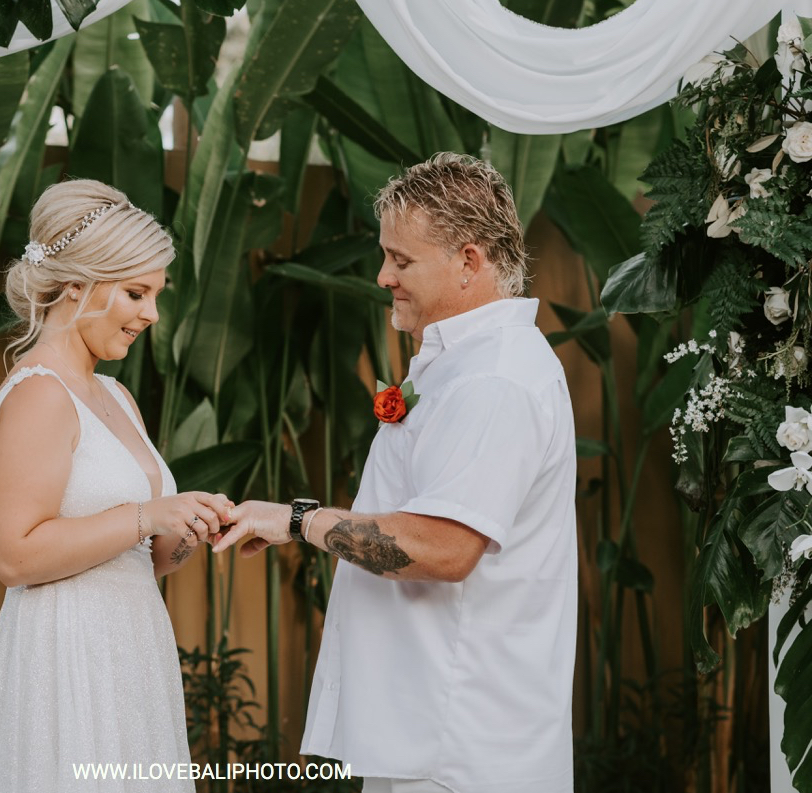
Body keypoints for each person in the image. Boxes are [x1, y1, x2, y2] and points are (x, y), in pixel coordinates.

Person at [215, 153, 578, 793]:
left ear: (469, 261)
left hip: (461, 747)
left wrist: (298, 520)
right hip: (426, 728)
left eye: (401, 261)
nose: (383, 276)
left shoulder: (494, 381)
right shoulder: (466, 364)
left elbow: (443, 548)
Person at [0, 179, 232, 792]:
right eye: (136, 293)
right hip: (65, 656)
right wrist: (150, 515)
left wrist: (193, 524)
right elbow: (14, 556)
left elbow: (147, 559)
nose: (152, 314)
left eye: (155, 295)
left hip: (131, 652)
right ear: (75, 285)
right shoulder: (39, 394)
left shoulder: (116, 396)